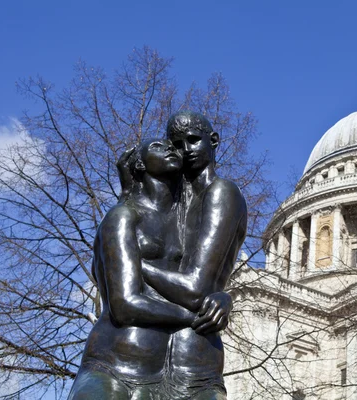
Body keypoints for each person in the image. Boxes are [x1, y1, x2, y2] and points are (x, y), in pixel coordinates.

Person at [68, 138, 231, 399]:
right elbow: (125, 305)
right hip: (117, 367)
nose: (169, 148)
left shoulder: (191, 223)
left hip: (184, 374)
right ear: (140, 164)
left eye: (171, 146)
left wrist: (222, 298)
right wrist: (194, 318)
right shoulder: (123, 216)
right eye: (157, 145)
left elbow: (200, 282)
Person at [139, 111, 248, 399]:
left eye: (193, 140)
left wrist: (134, 266)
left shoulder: (222, 193)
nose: (186, 151)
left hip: (192, 358)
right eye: (177, 144)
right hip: (143, 356)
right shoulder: (166, 202)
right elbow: (102, 268)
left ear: (213, 141)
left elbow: (197, 289)